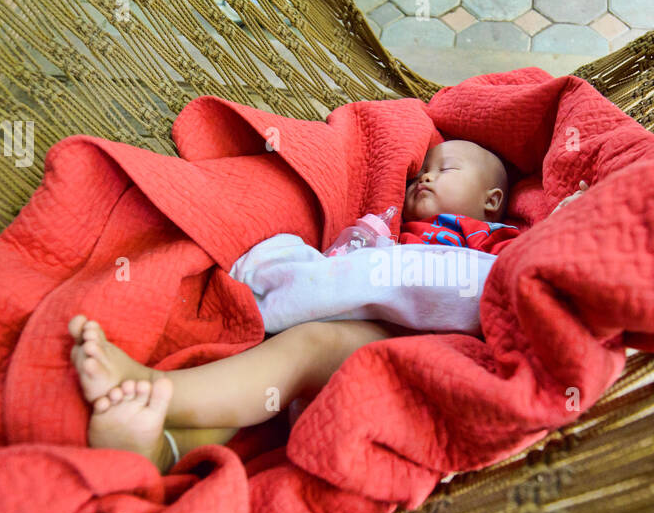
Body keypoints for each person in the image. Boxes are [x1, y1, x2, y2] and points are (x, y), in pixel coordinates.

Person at [69, 139, 587, 471]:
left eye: (444, 169)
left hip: (440, 349)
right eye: (421, 170)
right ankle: (160, 449)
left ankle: (152, 388)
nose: (424, 177)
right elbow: (348, 256)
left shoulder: (495, 238)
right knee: (286, 364)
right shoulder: (394, 230)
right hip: (367, 338)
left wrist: (571, 217)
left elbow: (534, 273)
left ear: (491, 201)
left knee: (309, 345)